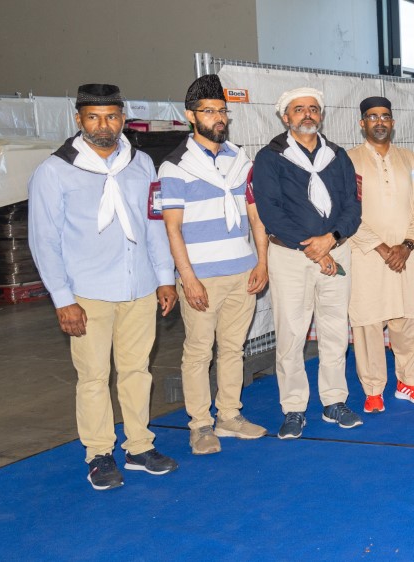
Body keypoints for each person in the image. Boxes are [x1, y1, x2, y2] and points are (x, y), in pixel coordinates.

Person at [28, 83, 179, 489]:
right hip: (87, 293)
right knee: (94, 377)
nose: (103, 125)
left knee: (137, 371)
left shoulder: (141, 163)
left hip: (140, 287)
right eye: (93, 117)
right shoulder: (54, 171)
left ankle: (139, 447)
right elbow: (44, 240)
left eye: (111, 117)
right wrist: (63, 299)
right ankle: (99, 454)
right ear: (78, 119)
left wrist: (165, 278)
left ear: (123, 119)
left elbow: (154, 226)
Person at [158, 74, 270, 454]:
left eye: (222, 111)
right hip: (202, 278)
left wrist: (262, 262)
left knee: (234, 349)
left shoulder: (240, 160)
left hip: (243, 272)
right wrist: (187, 279)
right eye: (209, 111)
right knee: (198, 352)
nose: (219, 118)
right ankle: (201, 425)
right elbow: (172, 229)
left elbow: (255, 215)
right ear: (191, 116)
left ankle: (229, 416)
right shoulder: (175, 166)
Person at [252, 87, 363, 438]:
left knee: (335, 331)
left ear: (322, 115)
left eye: (313, 108)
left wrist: (331, 239)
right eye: (299, 109)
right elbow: (270, 211)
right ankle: (294, 408)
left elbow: (353, 206)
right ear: (285, 117)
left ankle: (334, 401)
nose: (307, 114)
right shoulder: (270, 158)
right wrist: (314, 248)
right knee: (291, 333)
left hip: (335, 250)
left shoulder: (337, 156)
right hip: (290, 256)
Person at [347, 96, 414, 413]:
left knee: (410, 318)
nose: (379, 122)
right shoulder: (347, 161)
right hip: (367, 255)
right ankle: (373, 389)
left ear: (393, 123)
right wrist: (382, 247)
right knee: (368, 323)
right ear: (362, 123)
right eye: (372, 117)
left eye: (385, 116)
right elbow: (346, 212)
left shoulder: (410, 159)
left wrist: (407, 245)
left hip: (409, 255)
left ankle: (409, 382)